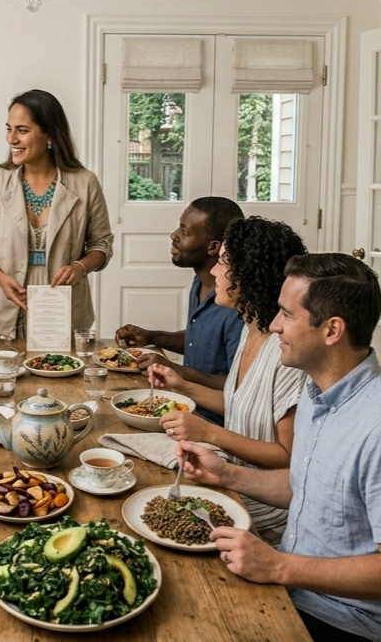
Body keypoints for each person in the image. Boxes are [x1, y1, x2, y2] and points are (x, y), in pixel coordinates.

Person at [175, 253, 381, 642]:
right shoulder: (318, 390)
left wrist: (279, 567)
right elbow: (306, 485)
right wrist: (226, 474)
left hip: (347, 623)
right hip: (302, 590)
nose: (276, 325)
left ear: (332, 330)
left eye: (287, 315)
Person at [151, 216, 308, 545]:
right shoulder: (251, 329)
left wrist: (209, 432)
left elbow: (288, 457)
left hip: (265, 508)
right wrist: (181, 385)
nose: (215, 272)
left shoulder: (285, 355)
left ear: (248, 274)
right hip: (229, 481)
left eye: (223, 262)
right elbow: (240, 404)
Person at [0, 89, 113, 339]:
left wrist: (80, 267)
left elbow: (101, 245)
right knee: (4, 377)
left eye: (22, 130)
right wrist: (2, 279)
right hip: (3, 309)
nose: (11, 139)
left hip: (64, 309)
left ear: (49, 135)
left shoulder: (85, 182)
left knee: (61, 376)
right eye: (9, 128)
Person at [115, 197, 245, 422]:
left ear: (213, 247)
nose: (173, 236)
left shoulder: (235, 305)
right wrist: (152, 337)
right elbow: (201, 342)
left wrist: (176, 371)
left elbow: (241, 383)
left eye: (184, 232)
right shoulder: (199, 283)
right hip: (184, 405)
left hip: (213, 420)